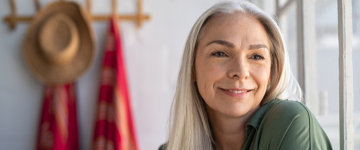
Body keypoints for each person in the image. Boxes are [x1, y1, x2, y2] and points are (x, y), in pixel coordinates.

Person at [159, 1, 332, 150]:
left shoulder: (291, 123)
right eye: (220, 53)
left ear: (272, 72)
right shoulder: (173, 147)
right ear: (192, 68)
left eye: (256, 56)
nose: (241, 72)